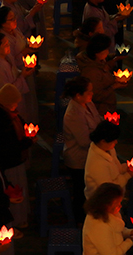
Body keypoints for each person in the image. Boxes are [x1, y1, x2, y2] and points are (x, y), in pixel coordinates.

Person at [0, 83, 36, 228]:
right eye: (14, 102)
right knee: (13, 191)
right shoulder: (0, 121)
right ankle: (14, 221)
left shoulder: (9, 114)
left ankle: (20, 216)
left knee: (19, 188)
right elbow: (9, 146)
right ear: (6, 103)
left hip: (16, 159)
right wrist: (28, 142)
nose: (17, 105)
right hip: (8, 163)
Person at [62, 76, 102, 224]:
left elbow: (97, 120)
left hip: (91, 153)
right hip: (79, 159)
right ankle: (80, 220)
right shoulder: (73, 114)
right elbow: (85, 141)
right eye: (89, 92)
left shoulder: (88, 104)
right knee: (81, 191)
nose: (92, 94)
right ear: (78, 95)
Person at [0, 6, 38, 123]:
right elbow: (10, 59)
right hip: (17, 73)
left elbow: (22, 41)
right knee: (19, 104)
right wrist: (25, 52)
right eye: (11, 19)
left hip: (24, 69)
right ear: (3, 23)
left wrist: (30, 46)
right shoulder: (3, 41)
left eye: (14, 18)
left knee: (29, 100)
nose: (15, 21)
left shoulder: (15, 30)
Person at [0, 32, 34, 122]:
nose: (9, 46)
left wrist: (22, 73)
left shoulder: (7, 57)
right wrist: (22, 76)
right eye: (5, 45)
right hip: (5, 106)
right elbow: (5, 93)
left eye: (8, 43)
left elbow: (13, 72)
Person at [76, 34, 126, 115]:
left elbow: (104, 71)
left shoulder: (98, 61)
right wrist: (114, 86)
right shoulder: (91, 72)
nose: (108, 52)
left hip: (107, 105)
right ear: (97, 53)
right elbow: (96, 96)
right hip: (101, 111)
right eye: (106, 50)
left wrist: (115, 79)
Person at [84, 120, 133, 199]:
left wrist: (126, 168)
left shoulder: (108, 149)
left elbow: (115, 169)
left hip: (113, 197)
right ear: (103, 141)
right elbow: (110, 187)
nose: (116, 142)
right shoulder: (97, 163)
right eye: (113, 140)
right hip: (101, 201)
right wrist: (128, 175)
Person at [83, 182, 133, 254]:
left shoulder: (110, 213)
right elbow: (112, 253)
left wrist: (129, 232)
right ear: (106, 204)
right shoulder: (98, 225)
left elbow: (116, 231)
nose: (120, 206)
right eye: (117, 203)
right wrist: (130, 241)